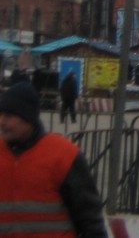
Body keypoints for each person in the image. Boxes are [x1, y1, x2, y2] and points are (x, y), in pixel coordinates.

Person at [0, 80, 108, 237]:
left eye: (9, 116)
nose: (2, 122)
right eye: (0, 114)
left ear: (28, 118)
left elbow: (89, 218)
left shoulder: (64, 155)